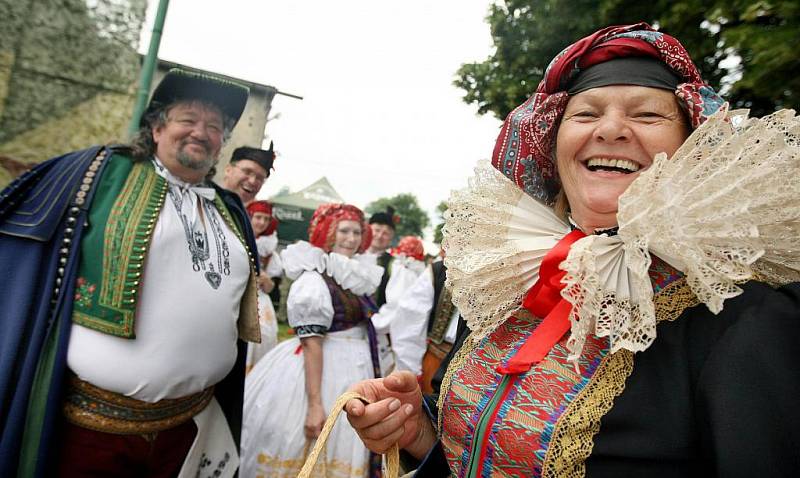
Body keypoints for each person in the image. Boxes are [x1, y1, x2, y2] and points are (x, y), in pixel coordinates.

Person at [345, 23, 800, 476]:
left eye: (646, 115)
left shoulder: (742, 320)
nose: (612, 129)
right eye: (585, 114)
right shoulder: (512, 279)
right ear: (553, 145)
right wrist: (417, 432)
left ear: (691, 150)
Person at [0, 68, 262, 478]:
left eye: (214, 126)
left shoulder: (228, 210)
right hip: (94, 433)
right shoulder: (99, 174)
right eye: (188, 120)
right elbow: (17, 228)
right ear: (157, 128)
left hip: (190, 429)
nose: (201, 132)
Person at [241, 203, 384, 478]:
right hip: (323, 371)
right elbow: (312, 344)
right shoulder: (313, 280)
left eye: (356, 231)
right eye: (343, 230)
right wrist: (316, 405)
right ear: (327, 233)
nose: (351, 238)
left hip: (353, 369)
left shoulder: (352, 274)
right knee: (310, 441)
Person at [369, 236, 428, 375]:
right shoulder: (418, 274)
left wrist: (374, 323)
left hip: (397, 338)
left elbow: (396, 305)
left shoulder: (403, 271)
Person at [244, 200, 282, 372]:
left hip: (260, 300)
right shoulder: (237, 238)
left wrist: (266, 281)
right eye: (258, 217)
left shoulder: (268, 252)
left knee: (263, 336)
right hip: (238, 297)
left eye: (266, 219)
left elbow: (270, 288)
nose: (261, 222)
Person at [362, 206, 398, 373]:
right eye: (376, 230)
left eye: (386, 233)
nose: (379, 236)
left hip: (376, 327)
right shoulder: (353, 255)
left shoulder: (394, 265)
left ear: (390, 237)